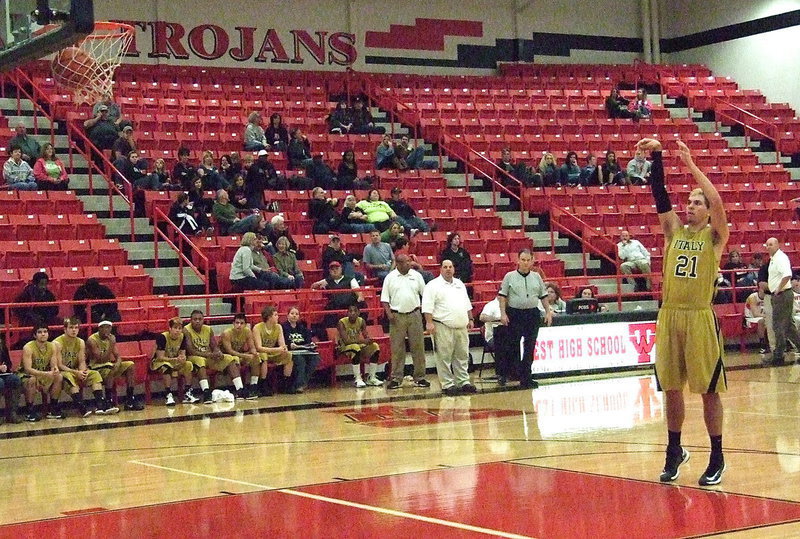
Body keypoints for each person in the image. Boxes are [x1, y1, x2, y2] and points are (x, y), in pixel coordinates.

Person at [638, 137, 729, 487]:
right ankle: (674, 449)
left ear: (706, 210)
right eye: (688, 201)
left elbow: (719, 201)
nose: (689, 206)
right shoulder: (673, 231)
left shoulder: (715, 237)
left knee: (708, 390)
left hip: (699, 317)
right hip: (670, 315)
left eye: (695, 202)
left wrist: (691, 166)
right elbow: (659, 193)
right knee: (672, 388)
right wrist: (658, 155)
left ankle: (717, 454)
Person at [497, 249, 551, 389]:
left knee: (530, 346)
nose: (525, 263)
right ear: (518, 260)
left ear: (532, 261)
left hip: (532, 314)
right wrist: (503, 314)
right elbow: (502, 296)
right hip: (514, 314)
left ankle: (526, 377)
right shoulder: (509, 276)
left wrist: (548, 312)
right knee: (512, 345)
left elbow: (543, 296)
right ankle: (508, 374)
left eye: (528, 260)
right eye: (523, 259)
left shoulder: (537, 277)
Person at [422, 260, 476, 395]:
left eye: (450, 267)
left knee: (462, 355)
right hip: (442, 325)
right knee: (443, 356)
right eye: (445, 267)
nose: (448, 269)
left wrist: (470, 318)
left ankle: (463, 381)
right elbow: (427, 306)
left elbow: (467, 303)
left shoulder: (459, 284)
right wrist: (429, 322)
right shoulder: (432, 285)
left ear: (453, 269)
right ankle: (447, 384)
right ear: (440, 269)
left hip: (461, 326)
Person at [381, 254, 429, 390]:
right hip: (396, 316)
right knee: (397, 349)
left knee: (418, 347)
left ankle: (420, 377)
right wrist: (389, 314)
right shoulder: (390, 278)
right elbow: (384, 299)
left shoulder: (416, 276)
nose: (410, 264)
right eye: (406, 262)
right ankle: (396, 378)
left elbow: (425, 295)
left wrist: (425, 314)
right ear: (398, 263)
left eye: (410, 261)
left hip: (415, 314)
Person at [54, 317, 119, 417]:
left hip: (76, 370)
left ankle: (100, 405)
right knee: (69, 377)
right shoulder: (57, 343)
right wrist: (76, 373)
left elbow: (81, 361)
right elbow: (59, 365)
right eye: (71, 328)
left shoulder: (80, 342)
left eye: (76, 328)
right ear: (65, 329)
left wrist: (83, 371)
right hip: (62, 371)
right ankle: (81, 407)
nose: (74, 330)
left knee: (94, 374)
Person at [185, 310, 245, 402]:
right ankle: (206, 392)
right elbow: (190, 351)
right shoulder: (186, 330)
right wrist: (209, 354)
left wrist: (218, 352)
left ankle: (240, 389)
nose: (197, 321)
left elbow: (214, 346)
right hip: (194, 357)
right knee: (200, 361)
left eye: (200, 319)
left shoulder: (208, 329)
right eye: (195, 319)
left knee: (229, 358)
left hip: (209, 356)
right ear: (190, 320)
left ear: (203, 320)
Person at [87, 320, 144, 411]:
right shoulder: (92, 340)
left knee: (130, 365)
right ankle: (109, 400)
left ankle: (130, 399)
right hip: (96, 367)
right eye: (105, 327)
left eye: (109, 327)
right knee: (111, 369)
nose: (108, 330)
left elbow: (118, 356)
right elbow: (100, 359)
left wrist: (118, 363)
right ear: (100, 328)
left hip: (108, 365)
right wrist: (111, 344)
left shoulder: (110, 338)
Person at [765, 237, 800, 366]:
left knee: (778, 325)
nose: (768, 247)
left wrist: (778, 289)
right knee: (789, 326)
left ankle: (779, 356)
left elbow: (787, 274)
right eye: (767, 245)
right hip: (782, 294)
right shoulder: (774, 259)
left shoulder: (780, 258)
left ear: (777, 245)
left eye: (771, 244)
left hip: (782, 294)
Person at [18, 323, 65, 421]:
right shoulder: (28, 347)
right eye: (40, 332)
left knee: (59, 377)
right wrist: (45, 374)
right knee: (32, 380)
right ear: (35, 335)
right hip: (26, 375)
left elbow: (53, 365)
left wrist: (55, 369)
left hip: (44, 373)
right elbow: (27, 369)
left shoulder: (52, 346)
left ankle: (53, 408)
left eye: (45, 332)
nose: (43, 334)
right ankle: (29, 410)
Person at [149, 317, 198, 406]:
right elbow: (160, 357)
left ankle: (188, 392)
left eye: (179, 328)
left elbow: (182, 354)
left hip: (173, 361)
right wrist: (174, 359)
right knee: (166, 366)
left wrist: (182, 359)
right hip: (159, 362)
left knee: (188, 364)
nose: (177, 331)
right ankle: (168, 394)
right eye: (175, 328)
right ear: (170, 328)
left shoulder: (182, 337)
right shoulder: (162, 337)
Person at [337, 304, 382, 388]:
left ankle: (371, 377)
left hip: (357, 345)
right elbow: (347, 341)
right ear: (347, 313)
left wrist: (369, 340)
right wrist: (363, 341)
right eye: (350, 311)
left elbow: (365, 335)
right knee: (355, 347)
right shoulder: (341, 322)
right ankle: (357, 378)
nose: (353, 313)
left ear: (359, 312)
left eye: (355, 311)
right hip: (344, 348)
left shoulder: (361, 321)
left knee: (375, 347)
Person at [253, 306, 295, 393]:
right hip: (260, 354)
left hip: (273, 352)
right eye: (275, 315)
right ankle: (263, 385)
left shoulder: (278, 327)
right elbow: (259, 347)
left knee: (289, 355)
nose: (278, 317)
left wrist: (284, 349)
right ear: (269, 317)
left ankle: (285, 383)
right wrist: (278, 349)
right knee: (264, 356)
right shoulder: (257, 327)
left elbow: (282, 345)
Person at [312, 261, 365, 328]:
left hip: (349, 304)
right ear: (329, 271)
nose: (335, 271)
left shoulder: (350, 279)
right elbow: (313, 286)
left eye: (337, 269)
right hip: (335, 305)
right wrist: (319, 285)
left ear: (341, 269)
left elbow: (358, 292)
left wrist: (360, 297)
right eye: (332, 269)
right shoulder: (327, 281)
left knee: (363, 305)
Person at [220, 313, 261, 399]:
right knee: (234, 359)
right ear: (233, 324)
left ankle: (253, 386)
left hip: (239, 355)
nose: (239, 325)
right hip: (225, 357)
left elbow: (252, 347)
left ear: (245, 325)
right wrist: (245, 356)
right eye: (237, 323)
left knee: (256, 358)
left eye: (242, 323)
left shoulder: (247, 331)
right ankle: (239, 389)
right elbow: (230, 351)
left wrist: (254, 353)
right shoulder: (227, 333)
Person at [282, 307, 321, 393]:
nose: (294, 316)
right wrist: (290, 344)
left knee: (315, 358)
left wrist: (311, 344)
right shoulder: (283, 327)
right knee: (300, 360)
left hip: (303, 350)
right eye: (292, 313)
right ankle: (298, 385)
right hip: (291, 351)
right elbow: (283, 341)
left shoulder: (302, 327)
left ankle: (302, 383)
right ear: (287, 315)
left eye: (296, 314)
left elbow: (308, 339)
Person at [0, 336, 23, 424]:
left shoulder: (1, 344)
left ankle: (12, 413)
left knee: (15, 380)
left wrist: (6, 367)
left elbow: (8, 362)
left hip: (3, 374)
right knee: (0, 383)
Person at [757, 256, 776, 354]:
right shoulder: (764, 268)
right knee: (770, 323)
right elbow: (762, 284)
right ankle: (774, 348)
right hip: (770, 296)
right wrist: (777, 287)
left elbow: (791, 280)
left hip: (785, 295)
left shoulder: (785, 266)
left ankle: (793, 344)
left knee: (789, 322)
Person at [744, 288, 768, 353]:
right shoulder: (753, 297)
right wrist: (768, 316)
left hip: (764, 317)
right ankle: (762, 345)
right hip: (750, 318)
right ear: (759, 289)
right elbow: (755, 314)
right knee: (762, 321)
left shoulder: (769, 297)